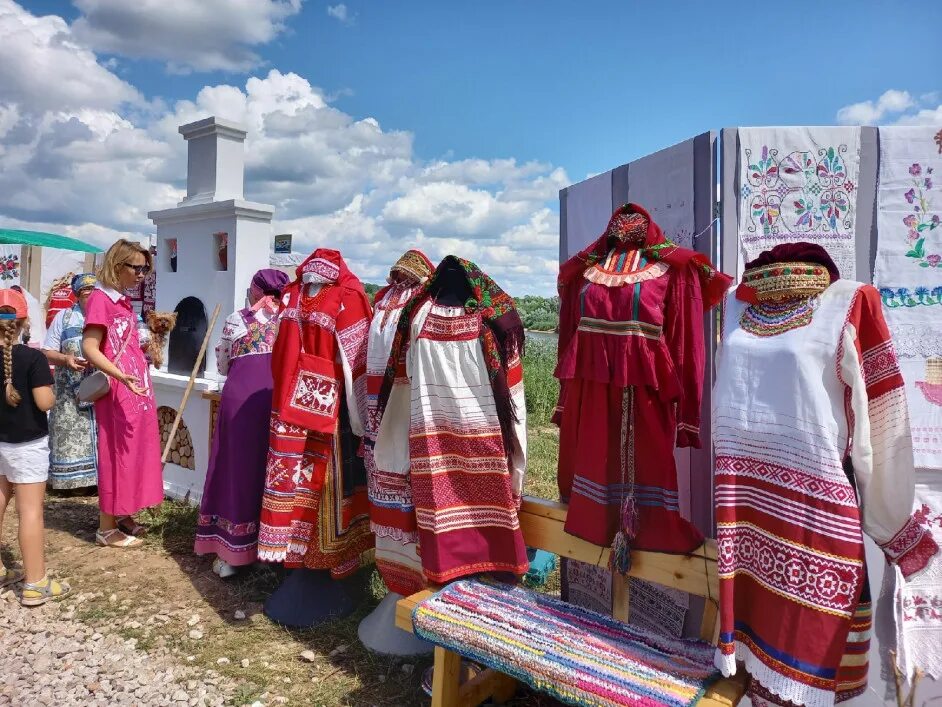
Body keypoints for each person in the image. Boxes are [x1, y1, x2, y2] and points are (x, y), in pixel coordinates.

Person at [194, 268, 289, 578]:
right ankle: (271, 552)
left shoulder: (237, 320)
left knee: (235, 471)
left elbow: (222, 366)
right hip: (277, 404)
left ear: (255, 290)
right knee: (272, 473)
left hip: (241, 403)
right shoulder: (289, 320)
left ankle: (232, 554)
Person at [81, 240, 162, 548]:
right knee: (118, 454)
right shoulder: (102, 299)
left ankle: (124, 514)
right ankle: (106, 527)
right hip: (119, 390)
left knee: (136, 451)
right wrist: (120, 377)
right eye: (136, 268)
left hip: (135, 386)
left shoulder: (123, 302)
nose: (142, 274)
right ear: (117, 266)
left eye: (146, 269)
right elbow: (89, 347)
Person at [0, 287, 71, 605]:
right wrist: (54, 396)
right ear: (24, 320)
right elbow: (44, 402)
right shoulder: (33, 358)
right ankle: (35, 583)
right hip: (26, 446)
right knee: (29, 512)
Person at [42, 274, 99, 492]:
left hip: (101, 388)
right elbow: (47, 352)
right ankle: (71, 482)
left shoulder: (106, 318)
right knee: (71, 431)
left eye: (95, 291)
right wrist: (66, 359)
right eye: (86, 292)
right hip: (69, 390)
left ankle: (98, 479)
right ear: (77, 295)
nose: (92, 296)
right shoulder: (64, 318)